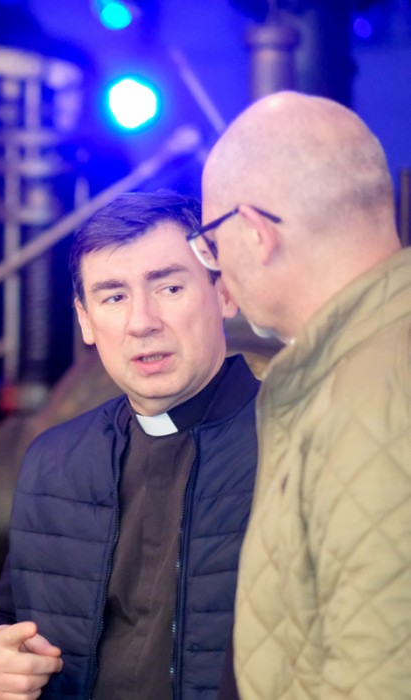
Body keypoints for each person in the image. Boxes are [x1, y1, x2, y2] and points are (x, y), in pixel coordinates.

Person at [0, 190, 260, 699]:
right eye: (114, 297)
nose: (142, 322)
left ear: (224, 293)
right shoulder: (55, 460)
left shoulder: (291, 443)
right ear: (85, 320)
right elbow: (8, 615)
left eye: (169, 287)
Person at [197, 91, 411, 698]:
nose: (217, 271)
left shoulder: (369, 399)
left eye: (211, 243)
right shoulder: (361, 362)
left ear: (255, 232)